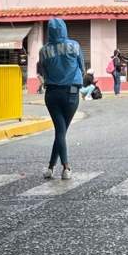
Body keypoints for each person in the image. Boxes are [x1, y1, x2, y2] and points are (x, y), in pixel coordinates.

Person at [39, 18, 84, 180]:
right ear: (64, 29)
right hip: (71, 92)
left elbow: (44, 72)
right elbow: (82, 68)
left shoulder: (43, 50)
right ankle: (66, 167)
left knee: (60, 131)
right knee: (61, 131)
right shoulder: (75, 46)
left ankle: (51, 167)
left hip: (51, 94)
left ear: (49, 31)